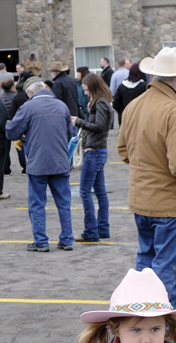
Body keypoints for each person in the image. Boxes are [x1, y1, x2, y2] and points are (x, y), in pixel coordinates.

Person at [117, 47, 176, 306]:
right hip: (171, 205)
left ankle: (141, 320)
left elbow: (123, 151)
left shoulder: (134, 106)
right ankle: (162, 331)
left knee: (146, 266)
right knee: (168, 273)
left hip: (142, 201)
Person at [5, 78, 76, 252]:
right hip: (60, 161)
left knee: (37, 204)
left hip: (38, 163)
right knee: (64, 203)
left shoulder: (28, 108)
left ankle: (41, 241)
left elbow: (11, 132)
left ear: (30, 92)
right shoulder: (62, 106)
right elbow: (69, 133)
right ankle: (67, 239)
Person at [73, 73, 112, 243]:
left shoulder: (100, 103)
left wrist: (79, 122)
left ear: (93, 87)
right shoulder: (103, 102)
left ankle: (91, 231)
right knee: (100, 192)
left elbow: (99, 126)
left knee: (85, 191)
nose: (86, 93)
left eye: (87, 90)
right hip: (99, 151)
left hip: (94, 152)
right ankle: (102, 228)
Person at [11, 81, 31, 174]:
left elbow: (12, 114)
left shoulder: (16, 98)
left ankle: (25, 166)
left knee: (21, 147)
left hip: (20, 125)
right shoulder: (30, 98)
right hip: (30, 124)